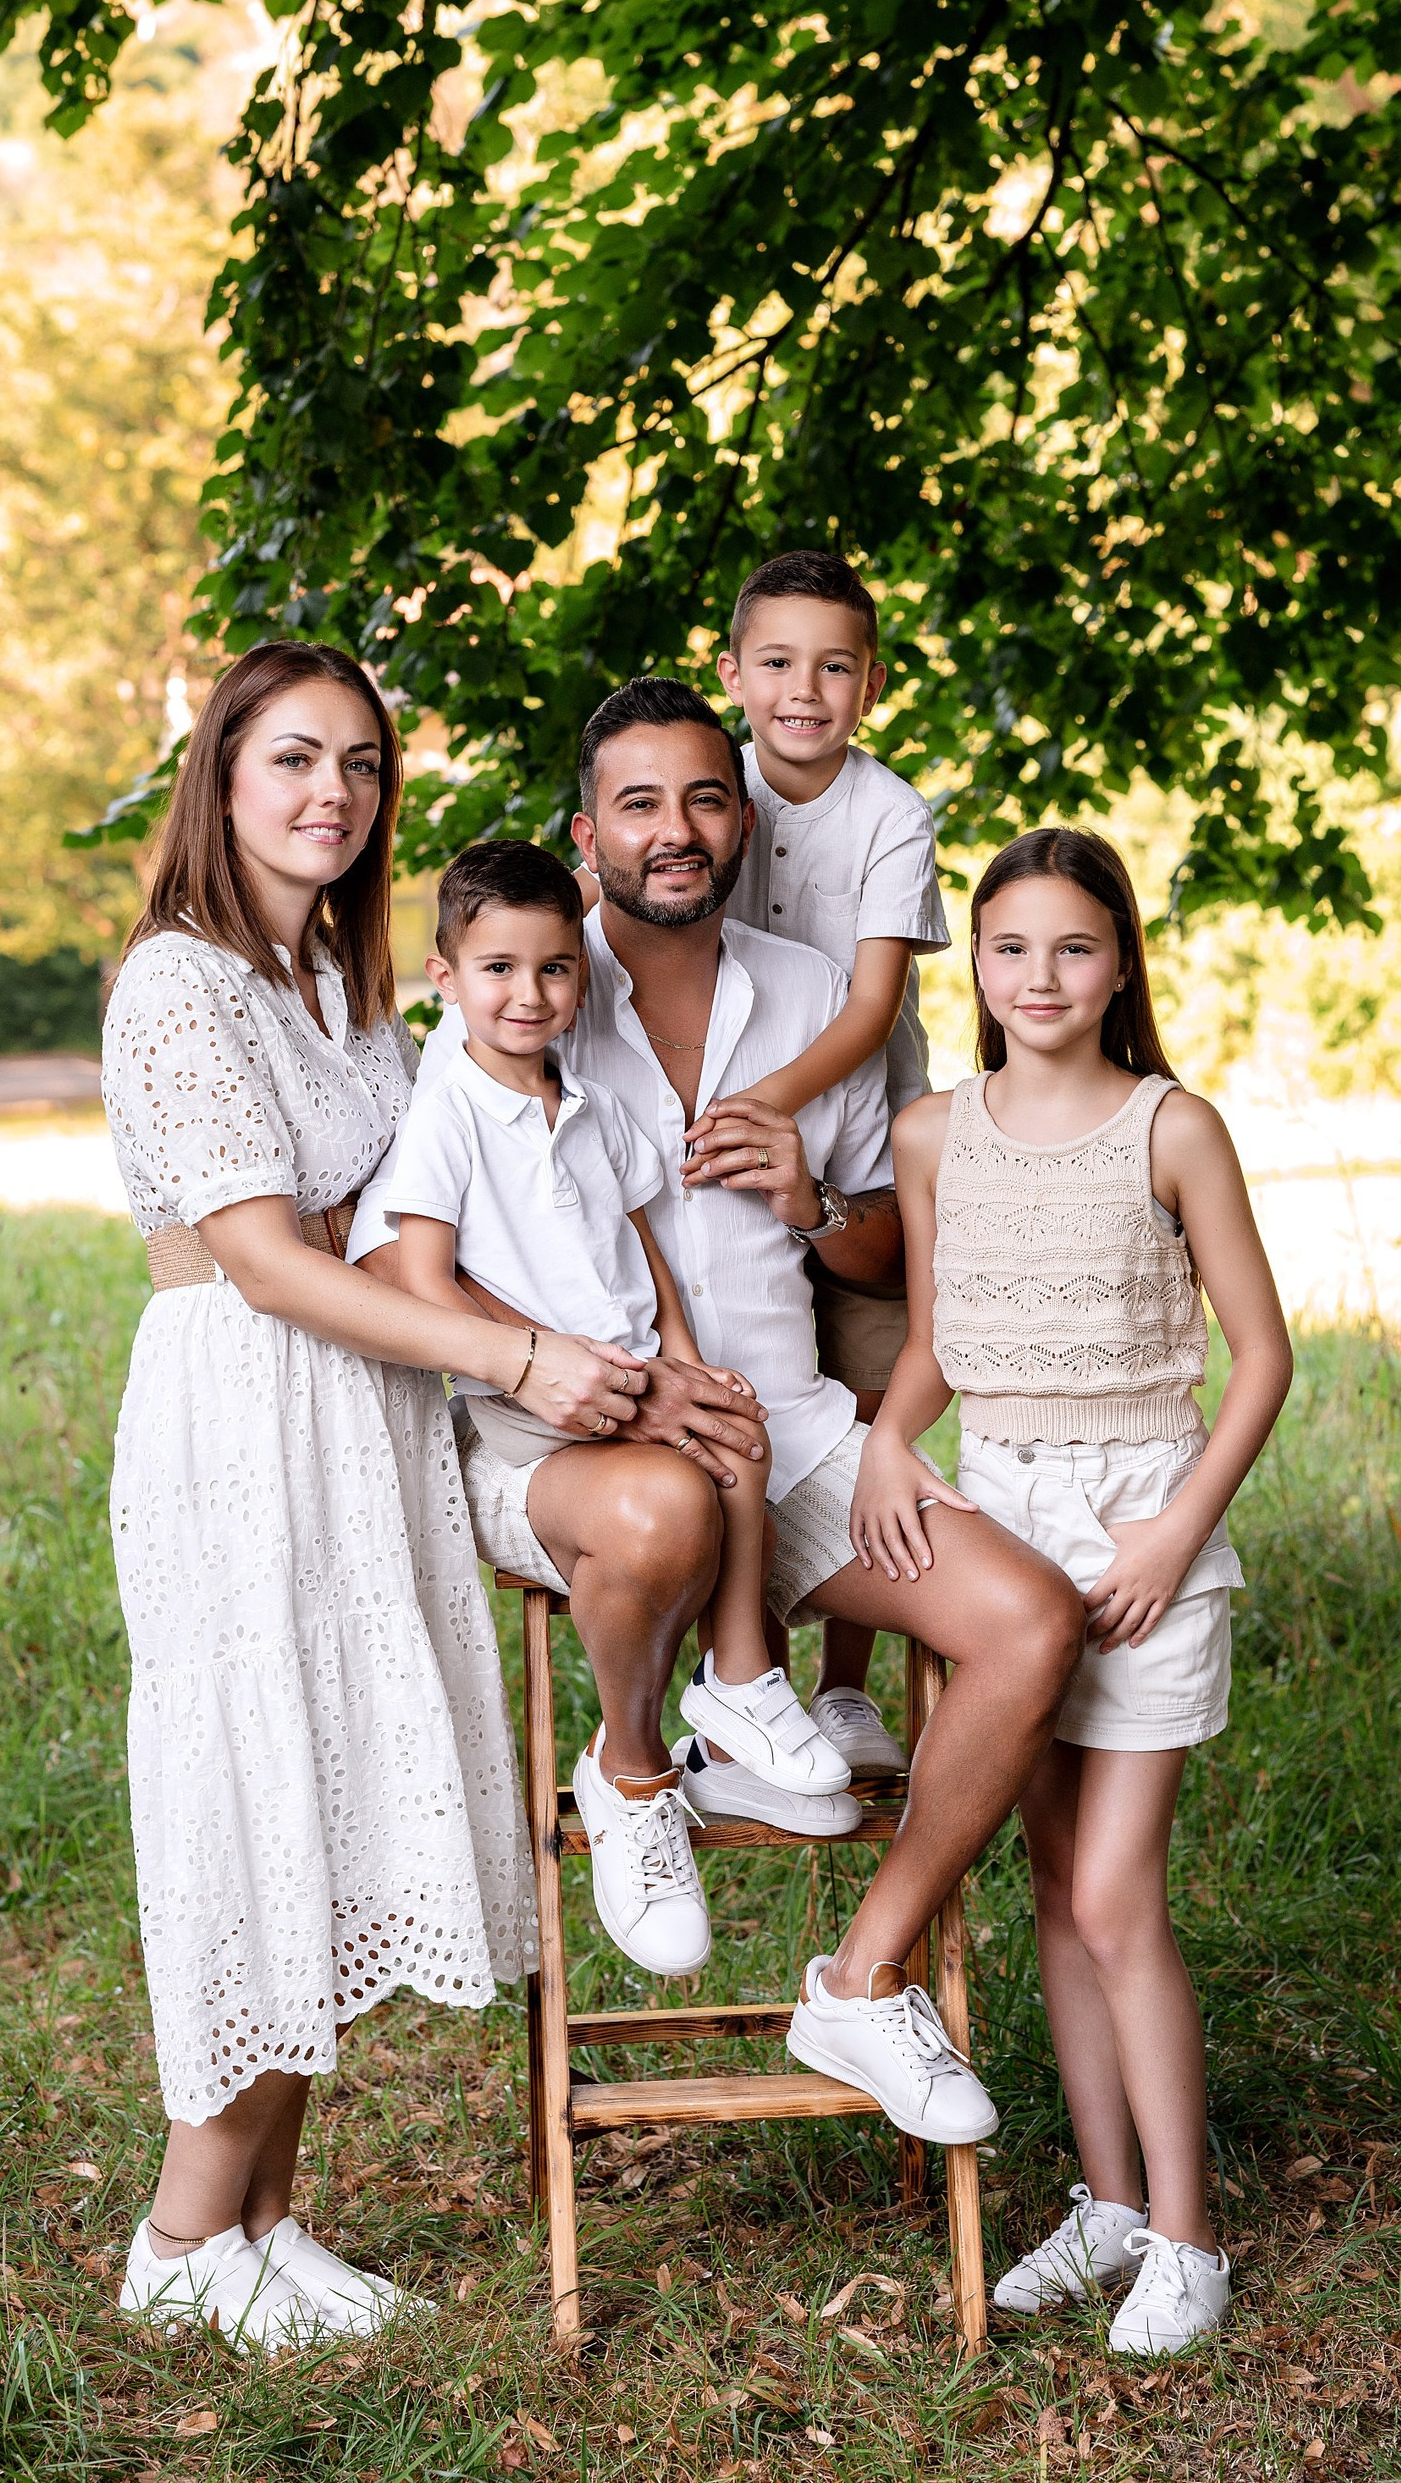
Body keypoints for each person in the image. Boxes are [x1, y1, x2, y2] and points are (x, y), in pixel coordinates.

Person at [357, 677, 1086, 2150]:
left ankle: (862, 1978)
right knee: (662, 1500)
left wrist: (810, 1202)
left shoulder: (814, 997)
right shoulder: (521, 978)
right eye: (637, 803)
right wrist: (563, 1363)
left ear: (741, 821)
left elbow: (888, 1252)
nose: (674, 829)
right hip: (571, 1440)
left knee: (1030, 1622)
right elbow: (398, 1258)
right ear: (587, 833)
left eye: (703, 797)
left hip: (785, 1426)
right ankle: (633, 1766)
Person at [102, 643, 641, 2353]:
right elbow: (265, 1261)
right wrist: (515, 1357)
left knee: (333, 1795)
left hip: (363, 1417)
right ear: (221, 777)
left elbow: (414, 1215)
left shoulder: (342, 992)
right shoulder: (180, 983)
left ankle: (262, 2224)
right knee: (260, 1791)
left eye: (358, 763)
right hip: (245, 1415)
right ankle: (181, 2234)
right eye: (292, 758)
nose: (331, 791)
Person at [850, 826, 1292, 2353]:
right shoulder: (930, 1135)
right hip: (1004, 1523)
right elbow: (935, 1342)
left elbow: (1261, 1357)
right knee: (1051, 1888)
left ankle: (1186, 2237)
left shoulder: (1170, 1128)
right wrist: (886, 1441)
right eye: (1008, 947)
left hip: (1137, 1526)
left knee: (1114, 1893)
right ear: (972, 963)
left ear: (1118, 967)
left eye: (1072, 947)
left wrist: (1172, 1533)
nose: (1037, 976)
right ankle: (1106, 2206)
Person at [374, 838, 851, 1976]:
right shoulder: (446, 1114)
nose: (527, 994)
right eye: (496, 969)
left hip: (633, 1374)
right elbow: (424, 1282)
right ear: (444, 978)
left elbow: (645, 1242)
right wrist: (566, 1371)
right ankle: (630, 1770)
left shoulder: (590, 1105)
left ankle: (739, 1681)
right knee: (680, 1485)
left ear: (578, 979)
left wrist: (682, 1362)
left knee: (735, 1431)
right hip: (531, 1407)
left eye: (552, 969)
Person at [718, 550, 951, 1780]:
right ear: (731, 673)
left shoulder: (888, 813)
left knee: (864, 1393)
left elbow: (866, 1009)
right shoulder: (710, 786)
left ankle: (846, 1687)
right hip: (733, 1134)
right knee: (744, 1384)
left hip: (858, 1132)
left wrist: (762, 1106)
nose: (802, 690)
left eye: (833, 666)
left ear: (871, 682)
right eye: (776, 662)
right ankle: (741, 1675)